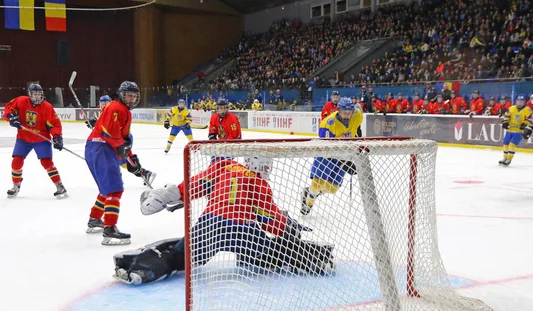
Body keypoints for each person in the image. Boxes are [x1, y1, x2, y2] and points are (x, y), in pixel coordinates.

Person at [114, 157, 335, 284]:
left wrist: (166, 195)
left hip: (210, 225)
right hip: (244, 232)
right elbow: (269, 220)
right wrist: (288, 227)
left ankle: (141, 267)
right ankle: (314, 257)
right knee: (270, 253)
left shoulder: (224, 167)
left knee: (181, 256)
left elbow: (193, 185)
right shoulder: (261, 185)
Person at [85, 81, 143, 245]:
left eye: (133, 96)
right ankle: (109, 229)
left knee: (107, 189)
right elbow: (110, 133)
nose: (131, 99)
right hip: (101, 148)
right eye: (128, 95)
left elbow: (121, 139)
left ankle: (95, 219)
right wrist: (126, 155)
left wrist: (131, 158)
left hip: (102, 148)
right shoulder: (116, 107)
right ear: (121, 94)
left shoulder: (124, 110)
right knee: (114, 190)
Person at [3, 83, 67, 199]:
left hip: (41, 138)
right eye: (34, 94)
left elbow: (55, 124)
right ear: (30, 95)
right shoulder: (21, 101)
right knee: (16, 162)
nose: (37, 97)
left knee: (47, 163)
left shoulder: (47, 107)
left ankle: (59, 185)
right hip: (23, 137)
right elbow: (9, 108)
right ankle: (16, 186)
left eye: (39, 94)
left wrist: (57, 137)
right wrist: (11, 117)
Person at [301, 97, 362, 216]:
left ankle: (309, 192)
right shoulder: (328, 124)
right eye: (344, 113)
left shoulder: (357, 115)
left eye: (349, 113)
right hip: (326, 156)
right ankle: (308, 203)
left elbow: (357, 128)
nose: (347, 116)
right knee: (317, 183)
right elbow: (326, 148)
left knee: (333, 189)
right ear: (338, 110)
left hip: (343, 155)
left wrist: (351, 154)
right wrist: (346, 162)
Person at [499, 95, 532, 166]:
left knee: (512, 144)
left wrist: (525, 124)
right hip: (509, 130)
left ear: (524, 102)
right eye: (518, 101)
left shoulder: (527, 110)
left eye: (521, 101)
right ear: (516, 101)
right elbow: (506, 116)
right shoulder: (511, 108)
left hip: (518, 132)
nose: (520, 103)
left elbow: (530, 119)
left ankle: (509, 159)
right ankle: (505, 158)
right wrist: (505, 122)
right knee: (505, 144)